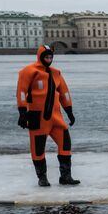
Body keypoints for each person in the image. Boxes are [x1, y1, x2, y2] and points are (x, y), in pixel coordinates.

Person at [16, 44, 79, 187]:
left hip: (56, 118)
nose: (49, 59)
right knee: (38, 149)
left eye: (51, 57)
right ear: (40, 57)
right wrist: (22, 113)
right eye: (46, 57)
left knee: (65, 144)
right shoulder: (28, 71)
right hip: (37, 118)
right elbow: (21, 92)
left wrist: (69, 111)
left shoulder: (56, 73)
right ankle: (42, 178)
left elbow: (64, 93)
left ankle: (65, 176)